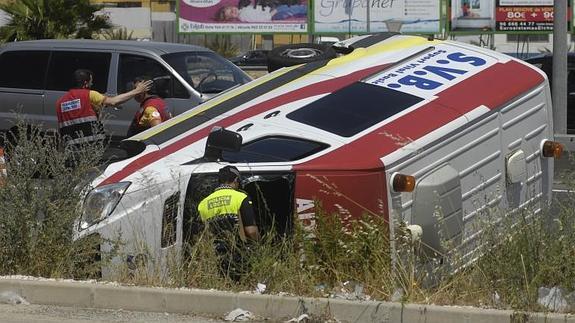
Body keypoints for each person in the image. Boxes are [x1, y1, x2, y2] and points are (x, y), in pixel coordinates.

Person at [56, 69, 152, 149]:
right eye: (91, 81)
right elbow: (113, 101)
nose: (92, 83)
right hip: (91, 148)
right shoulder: (90, 94)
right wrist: (137, 91)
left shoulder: (60, 102)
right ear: (85, 83)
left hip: (70, 149)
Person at [197, 165, 259, 280]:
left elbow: (201, 236)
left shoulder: (203, 204)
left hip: (215, 259)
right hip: (239, 256)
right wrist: (257, 246)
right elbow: (251, 231)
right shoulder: (240, 197)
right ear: (236, 180)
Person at [215, 2, 306, 22]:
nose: (233, 11)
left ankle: (304, 9)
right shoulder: (243, 16)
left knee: (291, 7)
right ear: (231, 18)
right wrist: (274, 11)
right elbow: (260, 19)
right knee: (289, 8)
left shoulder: (242, 9)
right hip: (273, 13)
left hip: (271, 7)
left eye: (231, 9)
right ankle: (307, 10)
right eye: (231, 14)